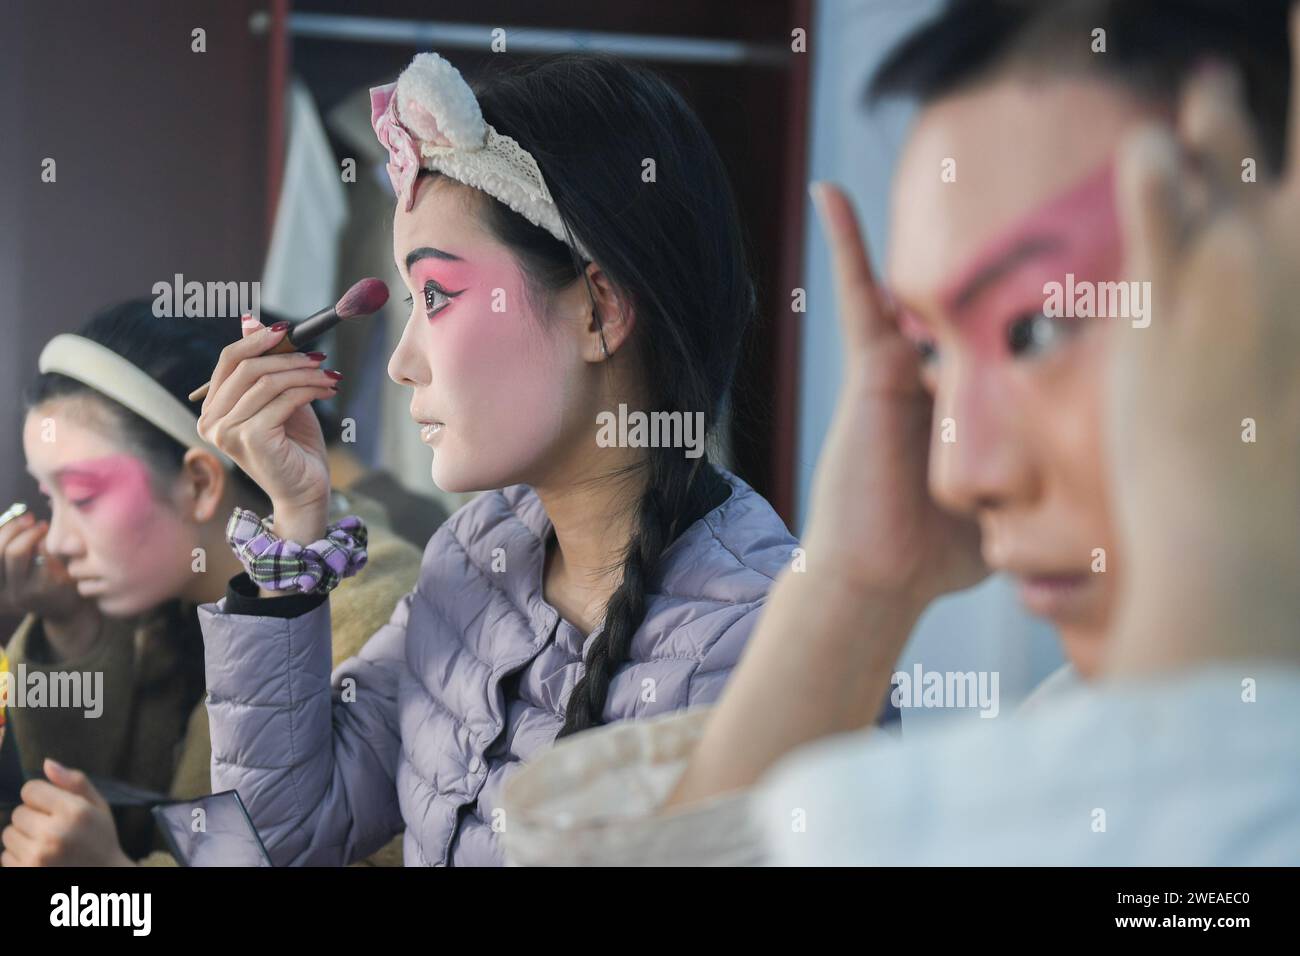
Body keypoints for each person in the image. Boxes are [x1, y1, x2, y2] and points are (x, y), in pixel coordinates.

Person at [500, 0, 1300, 865]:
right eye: (928, 353)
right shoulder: (1061, 752)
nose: (955, 472)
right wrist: (853, 589)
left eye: (1035, 329)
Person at [192, 51, 800, 866]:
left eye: (436, 296)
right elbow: (277, 842)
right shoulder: (472, 561)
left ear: (598, 311)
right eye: (411, 305)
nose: (402, 360)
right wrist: (297, 525)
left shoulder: (770, 647)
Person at [0, 300, 421, 866]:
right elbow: (108, 800)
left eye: (82, 498)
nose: (56, 542)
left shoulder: (371, 615)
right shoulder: (161, 602)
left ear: (199, 482)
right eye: (49, 499)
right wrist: (73, 628)